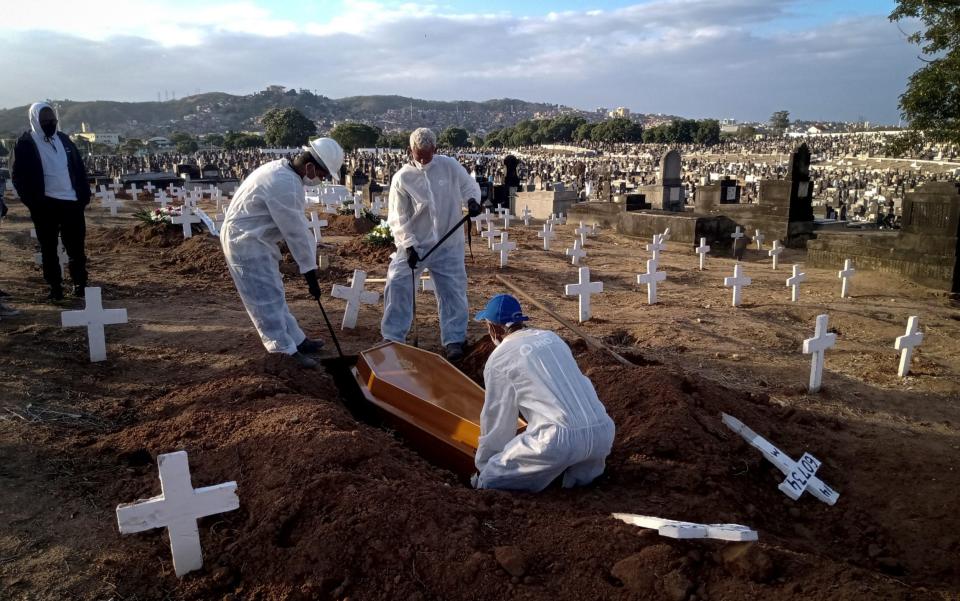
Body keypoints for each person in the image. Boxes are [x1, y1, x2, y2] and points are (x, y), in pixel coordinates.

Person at [220, 137, 343, 369]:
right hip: (245, 243)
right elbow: (295, 232)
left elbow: (296, 229)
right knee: (263, 298)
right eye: (322, 174)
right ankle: (283, 351)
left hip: (257, 239)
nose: (322, 180)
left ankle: (297, 340)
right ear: (309, 167)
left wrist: (309, 269)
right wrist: (310, 274)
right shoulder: (283, 183)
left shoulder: (284, 173)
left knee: (275, 293)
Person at [472, 294, 616, 492]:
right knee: (570, 475)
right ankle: (567, 477)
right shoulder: (552, 338)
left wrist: (485, 465)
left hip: (557, 440)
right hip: (602, 433)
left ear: (494, 328)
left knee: (490, 479)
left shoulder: (500, 358)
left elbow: (498, 419)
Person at [381, 128, 482, 360]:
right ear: (410, 151)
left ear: (435, 150)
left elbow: (468, 185)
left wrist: (473, 201)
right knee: (398, 283)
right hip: (417, 244)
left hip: (448, 244)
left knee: (453, 291)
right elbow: (398, 216)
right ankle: (393, 337)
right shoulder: (402, 178)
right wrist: (408, 245)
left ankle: (454, 339)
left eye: (428, 155)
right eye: (419, 155)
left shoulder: (449, 166)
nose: (423, 160)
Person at [11, 102, 91, 300]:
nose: (50, 123)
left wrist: (83, 196)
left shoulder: (63, 139)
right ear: (35, 120)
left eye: (52, 120)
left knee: (76, 247)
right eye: (45, 120)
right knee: (48, 248)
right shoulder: (25, 143)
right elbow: (18, 176)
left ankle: (80, 283)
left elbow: (78, 168)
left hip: (71, 202)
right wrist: (34, 202)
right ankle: (55, 287)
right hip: (45, 204)